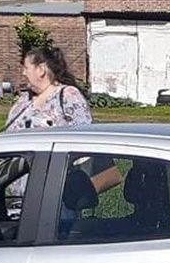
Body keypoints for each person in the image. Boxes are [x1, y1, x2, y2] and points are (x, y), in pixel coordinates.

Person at [6, 45, 122, 200]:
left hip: (55, 197)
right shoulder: (24, 100)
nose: (23, 73)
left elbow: (85, 141)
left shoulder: (68, 96)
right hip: (20, 196)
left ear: (41, 70)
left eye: (26, 68)